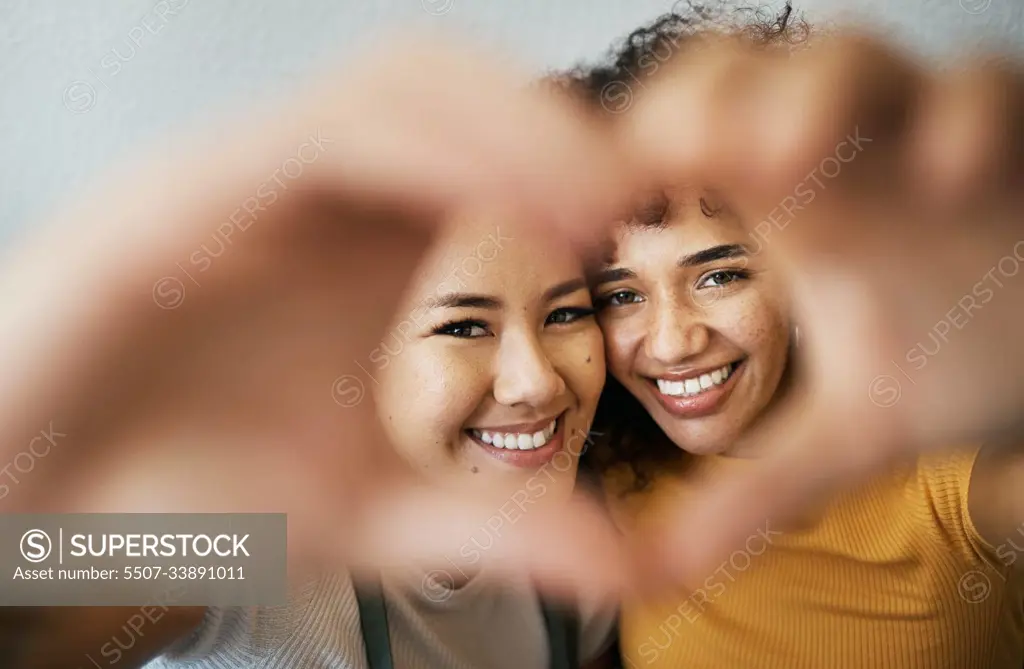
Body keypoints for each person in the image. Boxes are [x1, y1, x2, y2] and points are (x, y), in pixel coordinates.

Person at [2, 7, 1024, 658]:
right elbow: (36, 600)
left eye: (568, 311)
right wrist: (29, 439)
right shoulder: (269, 542)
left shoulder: (589, 506)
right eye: (461, 326)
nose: (537, 382)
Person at [570, 6, 1024, 667]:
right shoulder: (606, 465)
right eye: (622, 295)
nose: (670, 343)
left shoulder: (947, 465)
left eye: (720, 276)